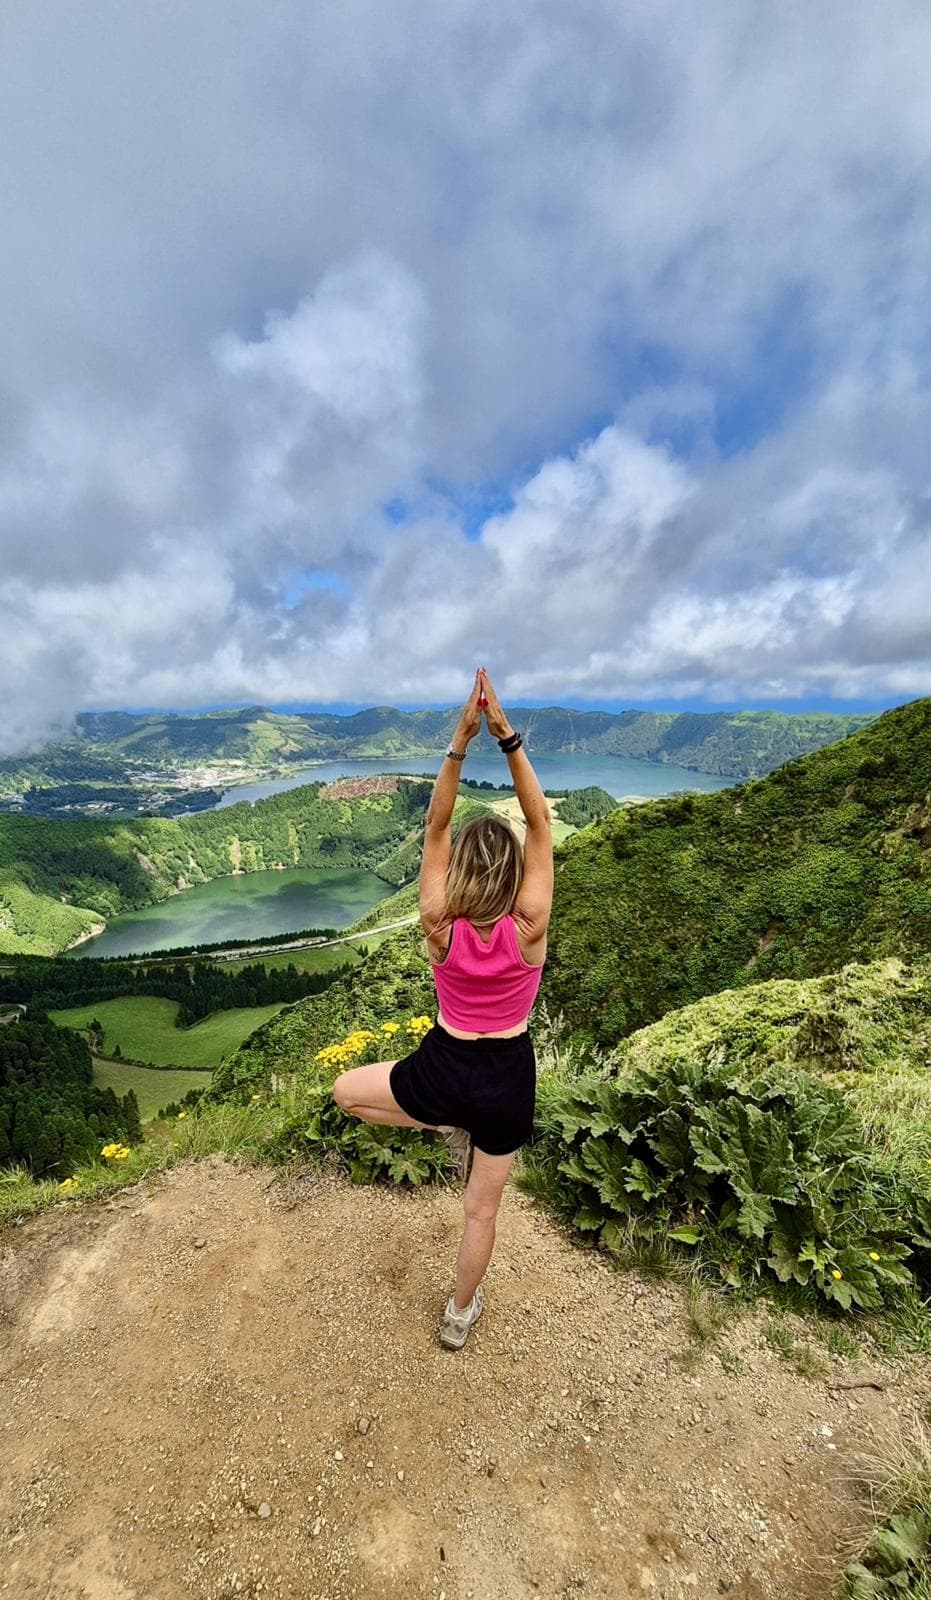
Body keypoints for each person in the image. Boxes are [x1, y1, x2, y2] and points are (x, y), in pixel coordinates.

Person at [332, 666, 554, 1350]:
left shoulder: (437, 925)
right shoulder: (530, 927)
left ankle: (437, 1120)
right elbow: (540, 821)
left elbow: (434, 827)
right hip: (509, 1075)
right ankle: (459, 1317)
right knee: (479, 1213)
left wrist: (459, 742)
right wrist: (506, 737)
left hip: (443, 1067)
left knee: (346, 1092)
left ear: (458, 870)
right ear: (515, 874)